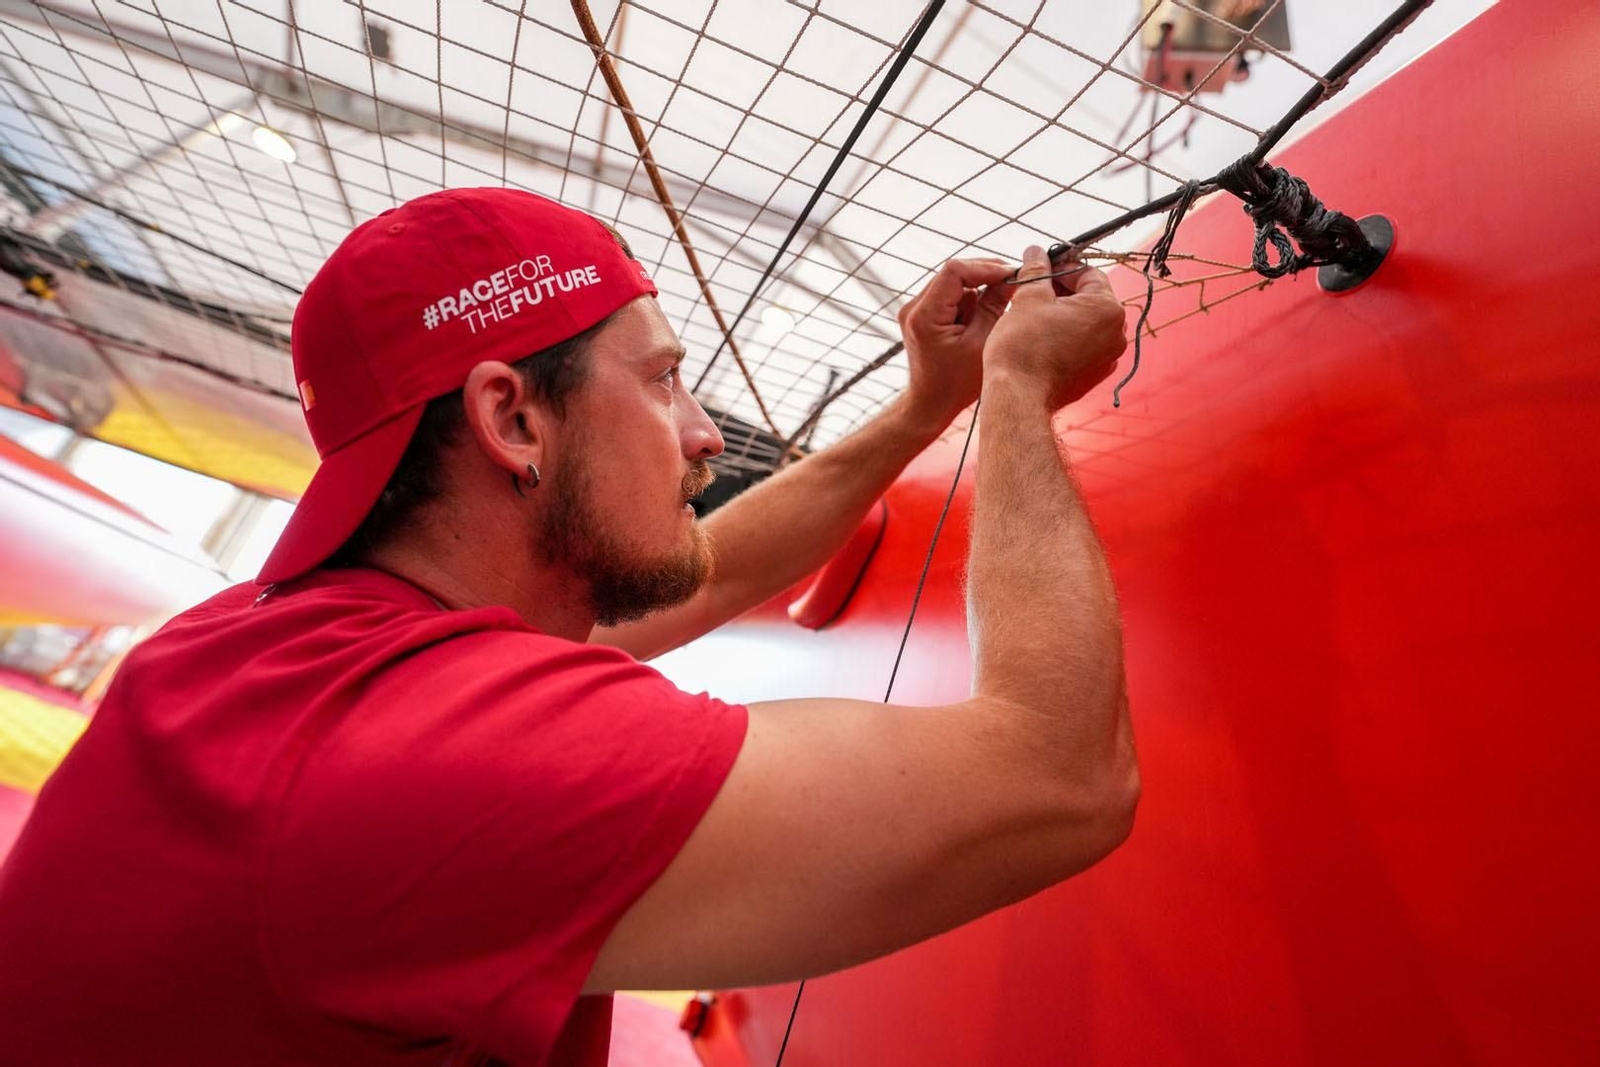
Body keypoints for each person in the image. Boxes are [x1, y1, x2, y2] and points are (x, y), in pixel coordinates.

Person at [0, 188, 1137, 1065]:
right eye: (661, 381)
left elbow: (708, 575)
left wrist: (929, 403)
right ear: (511, 418)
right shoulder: (425, 756)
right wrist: (1018, 391)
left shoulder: (297, 646)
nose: (704, 433)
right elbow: (1055, 778)